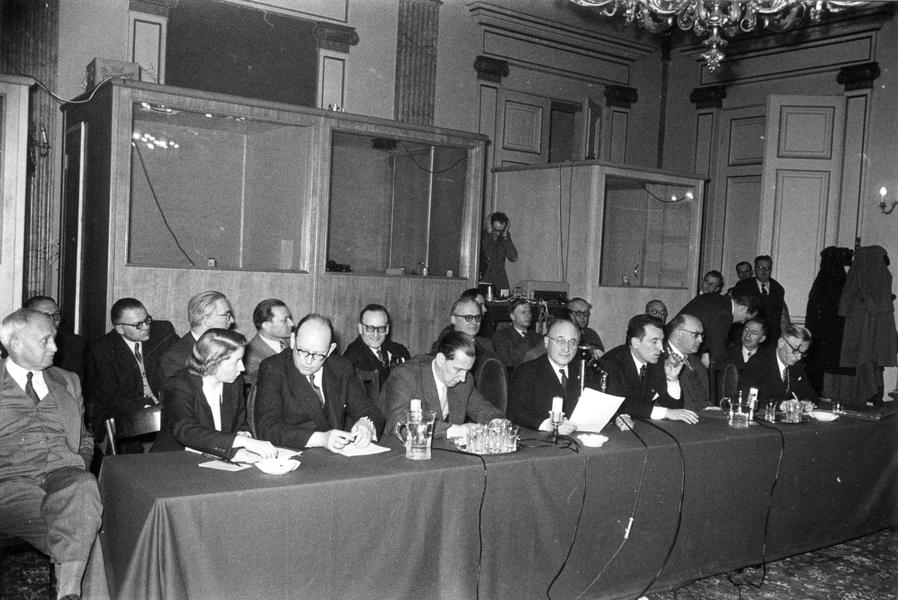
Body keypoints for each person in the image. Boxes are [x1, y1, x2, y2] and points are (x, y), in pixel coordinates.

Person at [0, 309, 108, 600]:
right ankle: (70, 591)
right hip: (9, 486)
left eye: (54, 339)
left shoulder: (67, 380)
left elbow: (85, 438)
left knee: (83, 487)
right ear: (16, 344)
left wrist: (75, 466)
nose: (56, 348)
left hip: (64, 478)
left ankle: (68, 592)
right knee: (84, 527)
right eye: (45, 341)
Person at [254, 314, 384, 452]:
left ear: (330, 350)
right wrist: (321, 439)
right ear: (293, 341)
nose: (308, 361)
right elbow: (267, 428)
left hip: (336, 458)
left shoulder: (341, 367)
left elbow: (369, 409)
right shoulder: (274, 368)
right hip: (295, 455)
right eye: (302, 351)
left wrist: (367, 425)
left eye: (318, 355)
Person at [152, 329, 277, 462]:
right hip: (175, 461)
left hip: (217, 457)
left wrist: (243, 434)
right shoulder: (178, 385)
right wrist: (238, 441)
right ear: (213, 362)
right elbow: (186, 431)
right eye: (237, 361)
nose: (242, 368)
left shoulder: (233, 382)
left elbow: (239, 422)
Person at [84, 298, 177, 442]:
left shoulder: (163, 331)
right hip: (127, 416)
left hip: (165, 408)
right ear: (120, 328)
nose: (146, 327)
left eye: (147, 320)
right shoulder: (102, 350)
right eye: (138, 325)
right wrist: (148, 408)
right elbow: (110, 398)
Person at [382, 331, 505, 438]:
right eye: (458, 370)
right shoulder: (406, 375)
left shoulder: (464, 380)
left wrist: (496, 421)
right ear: (441, 360)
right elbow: (398, 423)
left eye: (467, 371)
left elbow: (483, 409)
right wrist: (455, 430)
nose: (463, 378)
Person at [597, 314, 698, 423]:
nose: (661, 348)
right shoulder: (611, 363)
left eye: (661, 341)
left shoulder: (657, 361)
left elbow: (674, 407)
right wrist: (665, 412)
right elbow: (620, 407)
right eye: (654, 342)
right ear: (635, 342)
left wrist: (672, 378)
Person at [507, 319, 599, 432]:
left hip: (578, 439)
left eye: (572, 342)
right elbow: (515, 412)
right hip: (542, 441)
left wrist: (618, 418)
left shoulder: (584, 370)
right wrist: (549, 425)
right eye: (560, 341)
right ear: (546, 342)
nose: (566, 348)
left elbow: (597, 404)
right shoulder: (526, 371)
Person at [676, 291, 759, 402]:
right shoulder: (725, 314)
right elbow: (718, 352)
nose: (742, 322)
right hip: (678, 347)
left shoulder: (718, 299)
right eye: (746, 318)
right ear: (743, 309)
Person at [161, 290, 234, 379]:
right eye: (226, 315)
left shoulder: (231, 346)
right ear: (206, 319)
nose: (231, 321)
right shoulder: (175, 358)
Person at [740, 324, 818, 403]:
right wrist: (781, 405)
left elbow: (810, 395)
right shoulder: (758, 362)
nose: (799, 357)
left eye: (803, 353)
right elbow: (748, 398)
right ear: (781, 343)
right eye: (795, 351)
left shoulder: (796, 365)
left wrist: (806, 402)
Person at [342, 303, 411, 388]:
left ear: (387, 329)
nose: (375, 335)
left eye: (381, 329)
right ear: (360, 328)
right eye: (370, 329)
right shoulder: (351, 358)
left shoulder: (399, 351)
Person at [24, 295, 85, 381]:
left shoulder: (73, 344)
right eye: (45, 316)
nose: (52, 321)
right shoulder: (19, 342)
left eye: (56, 316)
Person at [732, 255, 790, 345]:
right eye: (760, 267)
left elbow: (782, 316)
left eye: (767, 268)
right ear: (755, 269)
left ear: (771, 270)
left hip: (771, 340)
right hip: (748, 338)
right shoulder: (742, 286)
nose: (764, 270)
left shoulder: (778, 288)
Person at [243, 298, 294, 387]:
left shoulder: (293, 342)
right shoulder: (250, 358)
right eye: (285, 320)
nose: (291, 324)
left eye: (290, 318)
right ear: (267, 326)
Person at [665, 314, 711, 411]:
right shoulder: (659, 358)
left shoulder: (696, 361)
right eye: (696, 335)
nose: (701, 340)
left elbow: (704, 399)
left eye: (701, 335)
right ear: (679, 332)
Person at [492, 299, 542, 368]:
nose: (528, 315)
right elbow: (507, 365)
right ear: (512, 316)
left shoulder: (538, 337)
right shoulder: (501, 337)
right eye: (523, 312)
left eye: (529, 312)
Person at [479, 211, 518, 292]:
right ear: (490, 224)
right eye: (495, 229)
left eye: (501, 230)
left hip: (501, 282)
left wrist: (505, 236)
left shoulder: (505, 237)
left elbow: (513, 257)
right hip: (485, 280)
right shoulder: (482, 235)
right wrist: (489, 234)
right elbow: (486, 254)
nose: (497, 233)